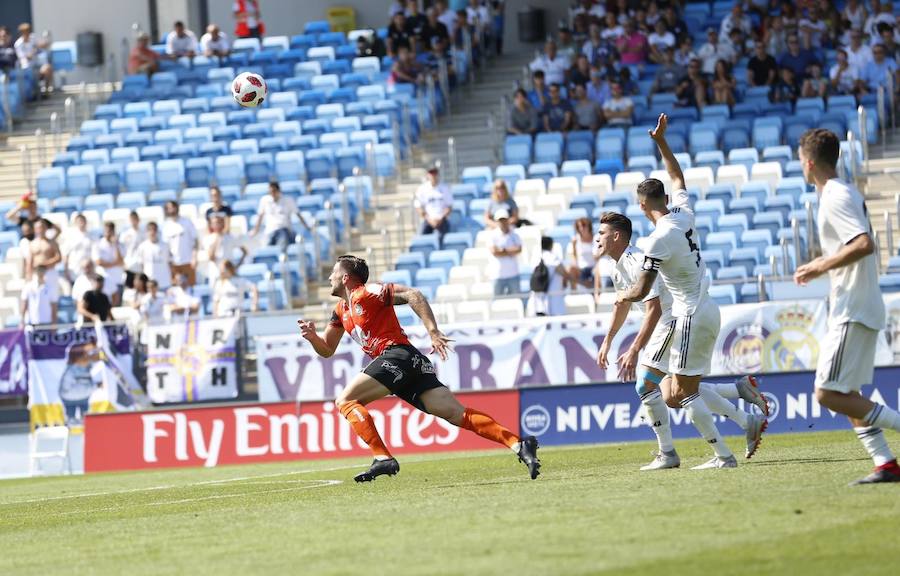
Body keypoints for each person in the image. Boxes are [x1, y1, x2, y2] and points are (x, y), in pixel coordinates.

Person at [296, 254, 540, 482]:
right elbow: (327, 349)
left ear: (346, 278)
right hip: (409, 362)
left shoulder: (366, 292)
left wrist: (433, 331)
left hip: (397, 355)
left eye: (333, 273)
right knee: (456, 414)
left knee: (345, 401)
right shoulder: (341, 311)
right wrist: (312, 338)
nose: (329, 277)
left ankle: (383, 458)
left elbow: (414, 294)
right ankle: (519, 444)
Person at [594, 211, 768, 470]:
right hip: (668, 324)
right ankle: (743, 411)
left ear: (616, 236)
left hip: (671, 322)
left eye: (602, 233)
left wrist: (634, 348)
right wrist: (608, 340)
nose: (597, 239)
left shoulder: (636, 259)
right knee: (672, 395)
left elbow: (653, 308)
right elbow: (622, 304)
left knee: (645, 386)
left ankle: (673, 454)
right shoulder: (615, 265)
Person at [617, 113, 738, 469]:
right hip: (708, 306)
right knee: (671, 392)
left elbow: (641, 290)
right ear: (665, 199)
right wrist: (661, 142)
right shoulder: (684, 213)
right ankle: (738, 408)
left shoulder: (657, 240)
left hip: (688, 315)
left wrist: (621, 296)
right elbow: (677, 175)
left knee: (683, 392)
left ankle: (723, 456)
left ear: (641, 206)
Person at [792, 127, 900, 483]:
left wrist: (818, 264)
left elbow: (864, 243)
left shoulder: (836, 195)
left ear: (809, 162)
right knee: (847, 393)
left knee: (827, 393)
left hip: (853, 306)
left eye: (800, 161)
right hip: (853, 303)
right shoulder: (838, 192)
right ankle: (885, 463)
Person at [28, 220, 61, 323]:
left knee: (53, 298)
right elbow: (29, 261)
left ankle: (53, 323)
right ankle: (36, 322)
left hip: (49, 273)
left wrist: (46, 264)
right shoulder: (32, 244)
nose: (40, 230)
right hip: (37, 274)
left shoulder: (52, 242)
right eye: (38, 227)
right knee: (37, 299)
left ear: (46, 229)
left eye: (42, 227)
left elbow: (58, 257)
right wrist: (28, 275)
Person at [526, 236, 566, 317]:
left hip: (537, 297)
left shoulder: (535, 258)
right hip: (551, 299)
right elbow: (563, 272)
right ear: (551, 246)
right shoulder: (553, 257)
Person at [414, 165, 453, 247]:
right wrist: (429, 219)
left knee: (444, 239)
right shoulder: (422, 189)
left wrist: (440, 218)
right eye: (431, 173)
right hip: (428, 219)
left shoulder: (444, 188)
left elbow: (449, 206)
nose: (433, 175)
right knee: (422, 239)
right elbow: (418, 206)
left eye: (435, 173)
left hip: (442, 219)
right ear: (428, 175)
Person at [203, 215, 247, 286]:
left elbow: (244, 252)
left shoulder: (230, 237)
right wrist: (217, 239)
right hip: (216, 274)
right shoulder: (208, 239)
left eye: (218, 223)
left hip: (229, 273)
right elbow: (211, 257)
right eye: (214, 223)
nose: (216, 225)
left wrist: (237, 266)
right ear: (211, 225)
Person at [253, 181, 298, 249]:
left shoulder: (287, 200)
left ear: (278, 191)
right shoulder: (264, 200)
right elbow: (260, 216)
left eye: (274, 191)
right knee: (266, 247)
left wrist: (307, 227)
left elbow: (298, 214)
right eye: (270, 192)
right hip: (270, 231)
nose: (272, 194)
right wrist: (255, 230)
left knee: (282, 243)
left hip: (283, 230)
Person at [162, 201, 197, 286]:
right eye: (169, 208)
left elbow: (195, 240)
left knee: (190, 287)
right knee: (176, 289)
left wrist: (194, 257)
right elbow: (165, 246)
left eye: (173, 207)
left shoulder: (187, 222)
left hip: (188, 261)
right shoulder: (166, 226)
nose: (171, 210)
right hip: (174, 263)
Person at [488, 209, 521, 296]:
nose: (503, 222)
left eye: (504, 219)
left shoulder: (514, 234)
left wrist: (502, 250)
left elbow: (518, 249)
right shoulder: (493, 235)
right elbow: (494, 251)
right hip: (497, 275)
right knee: (497, 302)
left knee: (516, 300)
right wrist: (510, 251)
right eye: (500, 220)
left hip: (513, 274)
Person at [14, 23, 53, 95]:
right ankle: (35, 93)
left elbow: (40, 45)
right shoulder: (18, 44)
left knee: (48, 68)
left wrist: (44, 43)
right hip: (26, 67)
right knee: (32, 74)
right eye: (25, 31)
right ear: (22, 33)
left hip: (37, 64)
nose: (28, 33)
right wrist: (34, 50)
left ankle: (46, 92)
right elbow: (25, 57)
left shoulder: (33, 38)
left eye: (28, 31)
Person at [92, 222, 125, 306]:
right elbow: (99, 262)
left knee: (117, 307)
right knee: (103, 306)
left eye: (111, 231)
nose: (109, 233)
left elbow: (121, 261)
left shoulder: (119, 245)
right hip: (104, 281)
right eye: (107, 231)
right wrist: (115, 263)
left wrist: (115, 245)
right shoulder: (98, 245)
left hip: (117, 280)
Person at [135, 222, 172, 290]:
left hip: (164, 283)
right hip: (149, 284)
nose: (152, 232)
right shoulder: (142, 247)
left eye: (154, 230)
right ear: (147, 232)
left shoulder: (165, 246)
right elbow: (141, 265)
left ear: (157, 231)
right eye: (150, 230)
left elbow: (170, 263)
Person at [567, 217, 601, 293]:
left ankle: (596, 294)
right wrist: (574, 246)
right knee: (571, 269)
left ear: (589, 226)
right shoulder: (575, 240)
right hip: (581, 269)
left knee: (598, 269)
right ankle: (574, 294)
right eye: (579, 227)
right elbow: (574, 257)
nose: (581, 228)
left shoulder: (596, 238)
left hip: (594, 267)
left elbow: (597, 256)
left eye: (583, 225)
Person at [63, 214, 94, 285]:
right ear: (75, 223)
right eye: (79, 221)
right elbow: (66, 254)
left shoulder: (91, 236)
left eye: (83, 221)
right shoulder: (71, 236)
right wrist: (66, 270)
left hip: (89, 269)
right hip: (75, 270)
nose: (81, 223)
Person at [119, 210, 144, 288]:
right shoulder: (125, 234)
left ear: (138, 220)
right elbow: (120, 250)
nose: (133, 221)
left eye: (135, 219)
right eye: (132, 219)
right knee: (129, 289)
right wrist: (123, 263)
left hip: (141, 265)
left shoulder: (144, 233)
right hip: (129, 266)